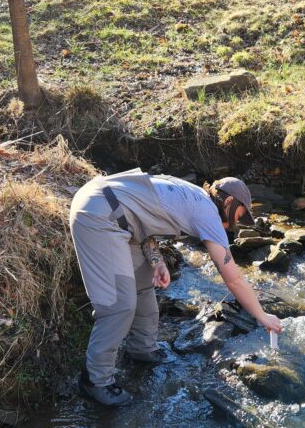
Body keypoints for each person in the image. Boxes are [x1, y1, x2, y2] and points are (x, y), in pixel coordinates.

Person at [69, 169, 283, 405]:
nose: (232, 225)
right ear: (229, 202)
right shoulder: (207, 212)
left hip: (117, 215)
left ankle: (142, 348)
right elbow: (233, 279)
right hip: (99, 216)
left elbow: (144, 221)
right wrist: (262, 316)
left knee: (143, 286)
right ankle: (95, 381)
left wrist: (157, 262)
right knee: (119, 305)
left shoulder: (192, 195)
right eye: (236, 217)